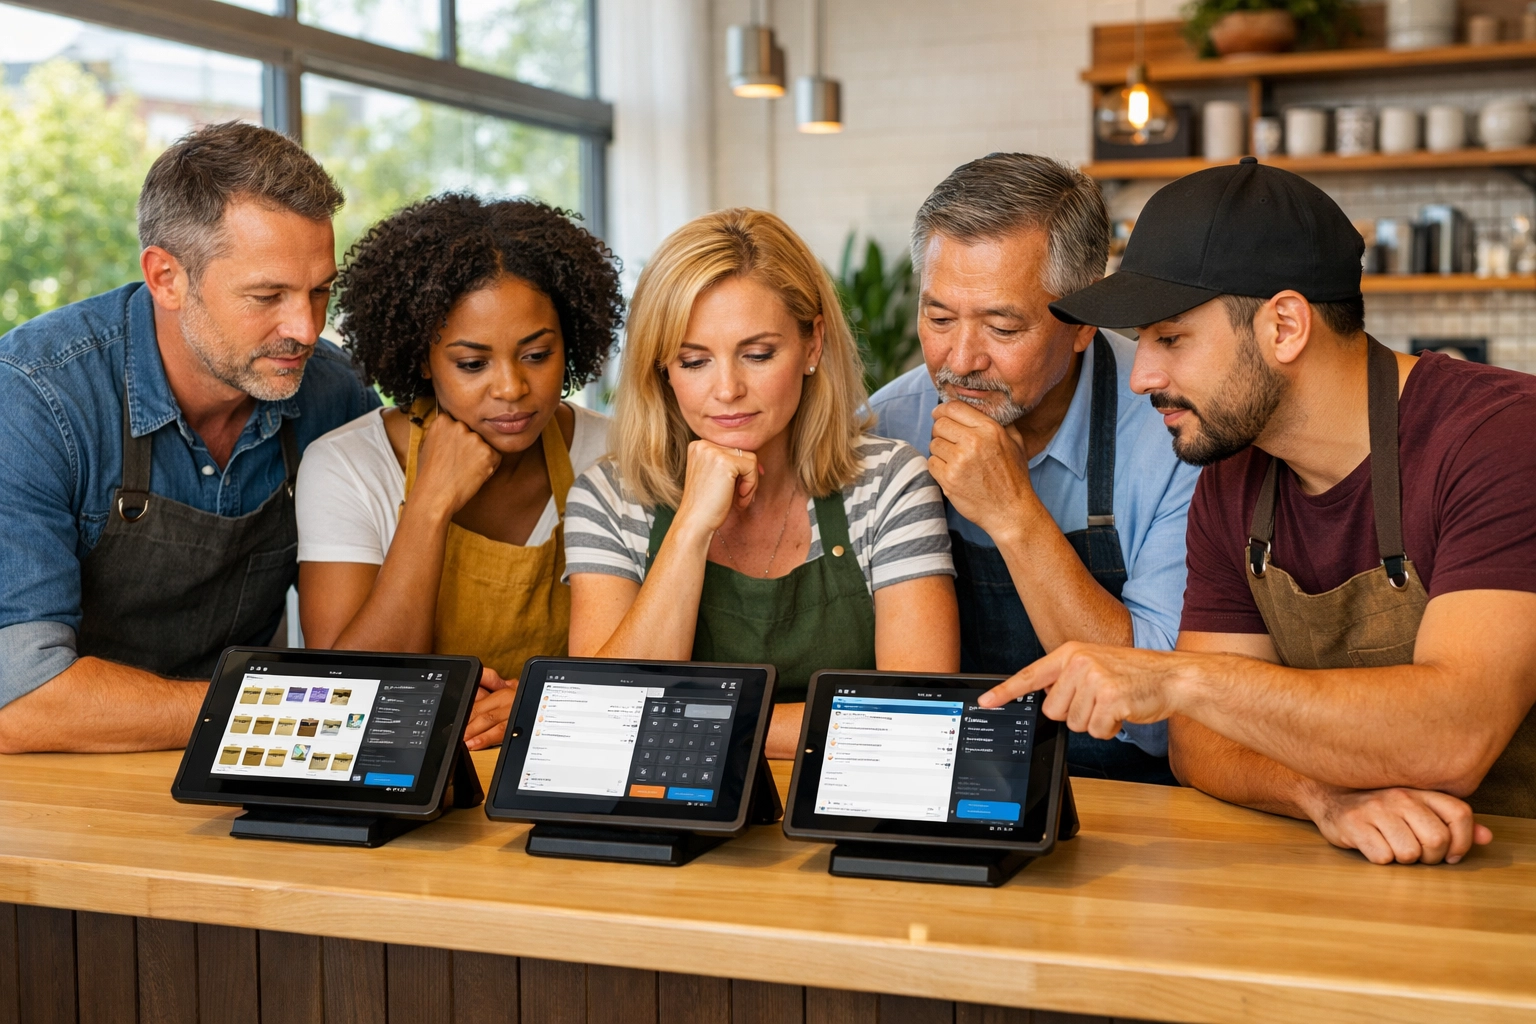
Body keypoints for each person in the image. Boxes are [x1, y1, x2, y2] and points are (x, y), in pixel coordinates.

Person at [981, 157, 1536, 865]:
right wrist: (1323, 797)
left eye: (1170, 338)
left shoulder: (1499, 439)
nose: (1144, 374)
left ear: (1284, 326)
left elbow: (1454, 734)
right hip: (1377, 871)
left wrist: (1177, 678)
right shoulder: (1233, 474)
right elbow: (1199, 742)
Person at [0, 122, 379, 753]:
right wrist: (285, 708)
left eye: (320, 291)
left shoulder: (335, 397)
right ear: (166, 277)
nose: (307, 328)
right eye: (268, 295)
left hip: (239, 768)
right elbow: (21, 697)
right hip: (51, 787)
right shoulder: (33, 397)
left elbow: (364, 648)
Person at [565, 208, 959, 759]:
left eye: (757, 354)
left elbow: (916, 714)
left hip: (844, 813)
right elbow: (597, 716)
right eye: (694, 360)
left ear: (812, 345)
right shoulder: (608, 498)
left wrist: (684, 720)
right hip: (673, 811)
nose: (727, 389)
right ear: (662, 368)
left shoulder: (889, 482)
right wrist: (691, 527)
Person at [870, 154, 1199, 785]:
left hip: (1134, 805)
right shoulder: (889, 426)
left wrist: (1014, 516)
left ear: (1082, 323)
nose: (960, 360)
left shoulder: (1171, 432)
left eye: (1002, 326)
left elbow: (1165, 717)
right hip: (946, 785)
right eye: (938, 319)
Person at [296, 194, 623, 752]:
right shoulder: (347, 465)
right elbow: (345, 693)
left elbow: (649, 671)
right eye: (472, 364)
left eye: (537, 355)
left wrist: (537, 705)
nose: (512, 388)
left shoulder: (616, 454)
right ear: (423, 357)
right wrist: (429, 505)